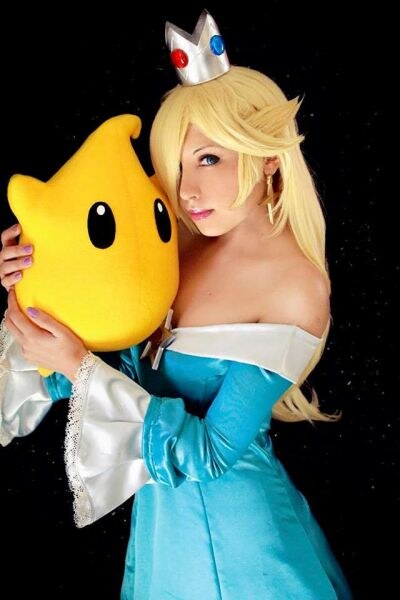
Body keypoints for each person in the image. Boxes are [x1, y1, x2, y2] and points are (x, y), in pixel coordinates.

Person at [0, 10, 353, 599]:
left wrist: (77, 369)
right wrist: (30, 285)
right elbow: (101, 352)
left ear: (269, 156)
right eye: (179, 165)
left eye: (209, 159)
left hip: (240, 547)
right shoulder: (181, 243)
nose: (187, 190)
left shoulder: (295, 287)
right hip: (164, 528)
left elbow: (209, 454)